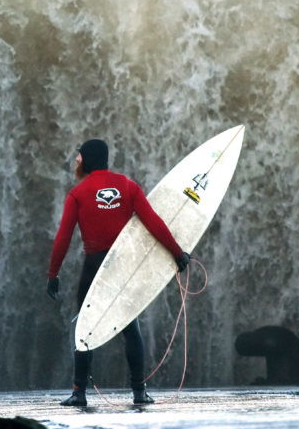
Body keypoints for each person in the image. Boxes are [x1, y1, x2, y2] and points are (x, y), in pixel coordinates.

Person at [46, 138, 190, 406]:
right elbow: (154, 223)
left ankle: (79, 393)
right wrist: (177, 253)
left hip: (94, 267)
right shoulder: (127, 186)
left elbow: (63, 238)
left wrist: (53, 274)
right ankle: (139, 392)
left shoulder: (78, 193)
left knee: (84, 327)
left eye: (79, 156)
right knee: (129, 327)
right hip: (124, 266)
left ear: (88, 159)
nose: (76, 160)